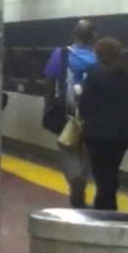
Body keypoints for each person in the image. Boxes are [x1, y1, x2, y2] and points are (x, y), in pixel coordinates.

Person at [42, 19, 99, 207]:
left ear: (74, 35)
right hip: (91, 117)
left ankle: (76, 185)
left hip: (67, 116)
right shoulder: (97, 58)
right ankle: (80, 185)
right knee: (86, 155)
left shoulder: (60, 54)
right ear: (92, 37)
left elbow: (49, 82)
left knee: (67, 148)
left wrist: (48, 106)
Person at [80, 37, 128, 211]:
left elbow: (84, 105)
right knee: (111, 172)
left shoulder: (95, 75)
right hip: (121, 136)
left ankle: (105, 209)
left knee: (102, 175)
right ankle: (106, 205)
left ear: (99, 55)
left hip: (98, 135)